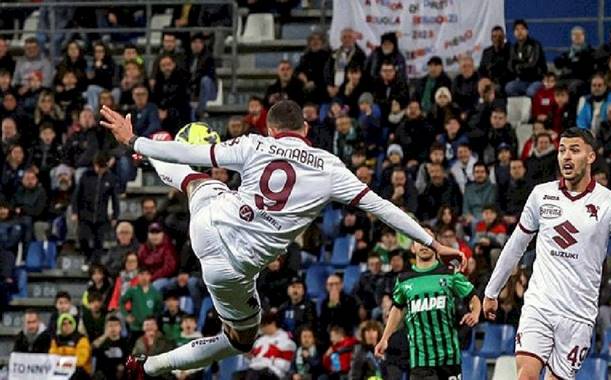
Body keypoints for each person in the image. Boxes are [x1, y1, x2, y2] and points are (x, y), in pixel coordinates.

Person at [98, 99, 465, 377]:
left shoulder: (255, 144)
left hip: (210, 221)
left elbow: (193, 153)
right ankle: (146, 368)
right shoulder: (329, 166)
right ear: (305, 128)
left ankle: (149, 155)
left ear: (272, 129)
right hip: (231, 267)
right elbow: (384, 208)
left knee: (197, 180)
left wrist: (137, 141)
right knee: (240, 340)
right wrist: (434, 243)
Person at [483, 128, 611, 379]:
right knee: (525, 375)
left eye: (574, 150)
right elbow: (515, 245)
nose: (566, 157)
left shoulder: (610, 203)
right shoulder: (541, 195)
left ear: (591, 156)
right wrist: (492, 291)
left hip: (579, 315)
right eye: (562, 150)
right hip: (540, 305)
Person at [375, 227, 481, 380]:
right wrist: (385, 338)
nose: (424, 245)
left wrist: (475, 313)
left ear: (436, 245)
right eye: (419, 241)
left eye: (427, 240)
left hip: (449, 357)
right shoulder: (404, 279)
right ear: (413, 248)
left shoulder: (449, 273)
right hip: (420, 360)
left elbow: (473, 296)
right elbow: (397, 309)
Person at [245, 312, 296, 380]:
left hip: (274, 372)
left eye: (263, 326)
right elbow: (252, 360)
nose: (261, 330)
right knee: (238, 375)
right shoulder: (259, 341)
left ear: (272, 324)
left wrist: (270, 361)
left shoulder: (285, 339)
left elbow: (286, 365)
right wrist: (249, 357)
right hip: (255, 370)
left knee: (257, 373)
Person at [505, 20, 547, 97]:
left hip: (536, 80)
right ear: (514, 33)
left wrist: (518, 66)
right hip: (522, 81)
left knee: (530, 92)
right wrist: (521, 65)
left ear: (527, 31)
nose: (519, 32)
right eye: (517, 29)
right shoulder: (513, 47)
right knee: (509, 88)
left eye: (522, 29)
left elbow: (533, 65)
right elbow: (510, 66)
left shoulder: (535, 45)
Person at [49, 313, 92, 378]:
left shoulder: (81, 339)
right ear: (60, 326)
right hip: (61, 370)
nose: (67, 325)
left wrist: (61, 361)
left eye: (70, 322)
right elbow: (53, 358)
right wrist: (69, 360)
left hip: (81, 372)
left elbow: (80, 360)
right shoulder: (55, 340)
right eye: (64, 323)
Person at [91, 315, 131, 380]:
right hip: (103, 375)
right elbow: (92, 348)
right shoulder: (101, 342)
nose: (113, 328)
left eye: (116, 325)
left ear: (120, 327)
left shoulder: (125, 342)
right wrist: (105, 335)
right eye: (110, 325)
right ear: (106, 328)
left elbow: (129, 360)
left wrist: (123, 367)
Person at [478, 26, 512, 93]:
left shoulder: (510, 50)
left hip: (504, 83)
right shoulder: (487, 52)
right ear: (491, 38)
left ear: (504, 37)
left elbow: (510, 71)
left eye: (500, 36)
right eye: (494, 36)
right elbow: (481, 70)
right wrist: (484, 81)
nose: (497, 39)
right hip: (488, 82)